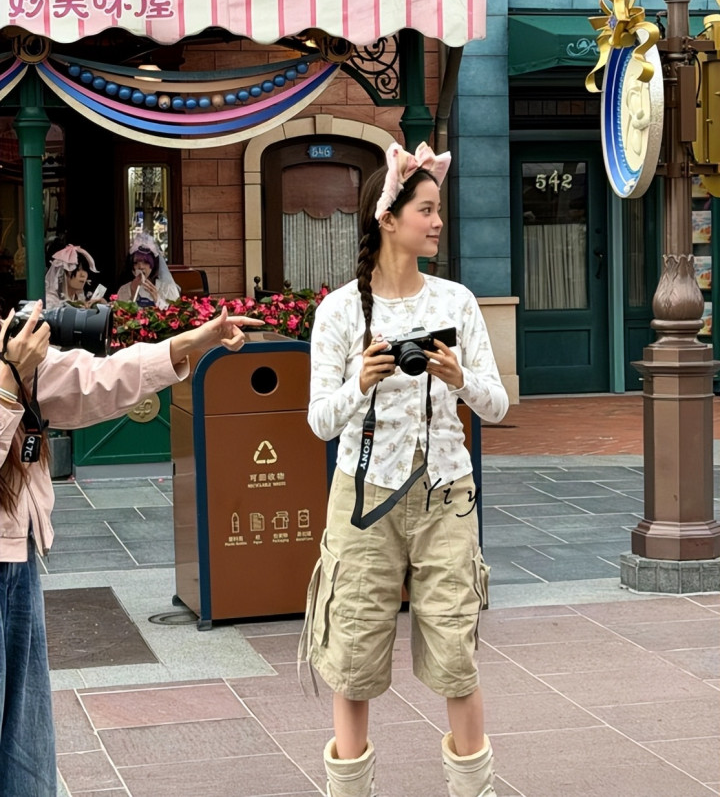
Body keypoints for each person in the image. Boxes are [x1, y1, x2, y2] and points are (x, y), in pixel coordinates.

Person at [299, 141, 509, 797]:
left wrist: (459, 376)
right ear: (388, 218)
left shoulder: (457, 302)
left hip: (447, 495)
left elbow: (498, 405)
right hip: (363, 498)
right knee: (354, 657)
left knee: (456, 653)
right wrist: (360, 381)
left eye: (438, 209)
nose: (438, 221)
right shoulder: (340, 311)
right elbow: (319, 422)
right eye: (426, 209)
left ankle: (475, 790)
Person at [0, 300, 263, 796]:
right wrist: (7, 386)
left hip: (17, 556)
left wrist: (191, 342)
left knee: (25, 747)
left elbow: (94, 380)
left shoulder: (6, 350)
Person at [116, 233, 180, 308]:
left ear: (153, 265)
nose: (140, 267)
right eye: (136, 263)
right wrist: (133, 295)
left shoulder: (167, 289)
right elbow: (121, 313)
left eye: (146, 262)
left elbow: (175, 312)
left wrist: (157, 300)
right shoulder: (124, 290)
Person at [44, 244, 105, 309]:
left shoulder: (80, 298)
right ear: (62, 272)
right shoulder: (51, 301)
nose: (83, 275)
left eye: (85, 270)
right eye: (77, 270)